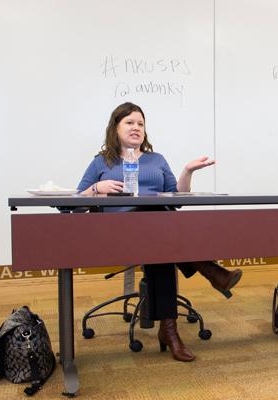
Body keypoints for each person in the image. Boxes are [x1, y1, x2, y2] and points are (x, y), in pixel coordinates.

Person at [77, 102, 242, 362]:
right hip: (119, 234)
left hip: (159, 233)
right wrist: (97, 188)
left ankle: (169, 330)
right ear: (115, 128)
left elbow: (176, 198)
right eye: (129, 123)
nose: (136, 128)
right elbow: (77, 201)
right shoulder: (102, 162)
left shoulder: (157, 160)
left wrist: (187, 171)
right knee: (157, 218)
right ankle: (211, 271)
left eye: (140, 124)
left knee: (160, 234)